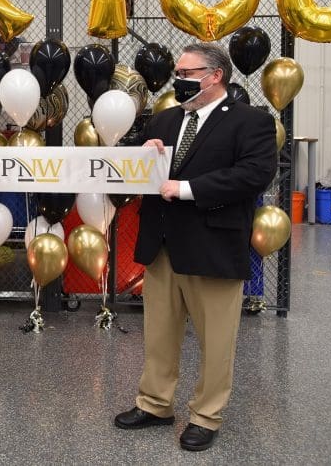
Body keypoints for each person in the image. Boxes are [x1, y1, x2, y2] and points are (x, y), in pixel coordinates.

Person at [114, 42, 278, 451]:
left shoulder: (251, 121)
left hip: (213, 246)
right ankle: (154, 404)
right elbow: (141, 174)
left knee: (216, 339)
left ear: (215, 76)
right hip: (163, 246)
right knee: (159, 335)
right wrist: (143, 155)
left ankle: (206, 415)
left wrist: (188, 189)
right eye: (178, 75)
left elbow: (255, 175)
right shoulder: (164, 121)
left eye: (187, 74)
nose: (179, 81)